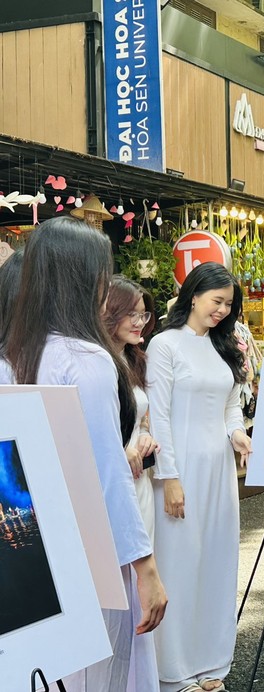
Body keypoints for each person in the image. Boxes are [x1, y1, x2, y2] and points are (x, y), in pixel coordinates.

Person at [2, 217, 167, 690]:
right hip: (93, 551)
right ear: (84, 278)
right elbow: (107, 474)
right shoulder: (85, 360)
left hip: (30, 548)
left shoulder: (12, 355)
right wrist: (147, 567)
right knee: (105, 674)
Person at [147, 262, 253, 692]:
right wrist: (169, 477)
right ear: (194, 295)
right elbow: (160, 415)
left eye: (229, 305)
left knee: (216, 561)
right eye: (217, 302)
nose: (223, 311)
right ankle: (174, 671)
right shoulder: (164, 345)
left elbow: (229, 406)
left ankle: (211, 663)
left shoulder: (224, 346)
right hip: (181, 468)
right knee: (179, 563)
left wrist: (238, 434)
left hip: (218, 470)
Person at [103, 276, 162, 692]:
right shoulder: (98, 362)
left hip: (140, 478)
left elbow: (143, 418)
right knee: (118, 584)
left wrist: (146, 437)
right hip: (114, 480)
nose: (140, 320)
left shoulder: (134, 360)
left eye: (144, 313)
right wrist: (122, 446)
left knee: (138, 579)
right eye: (132, 312)